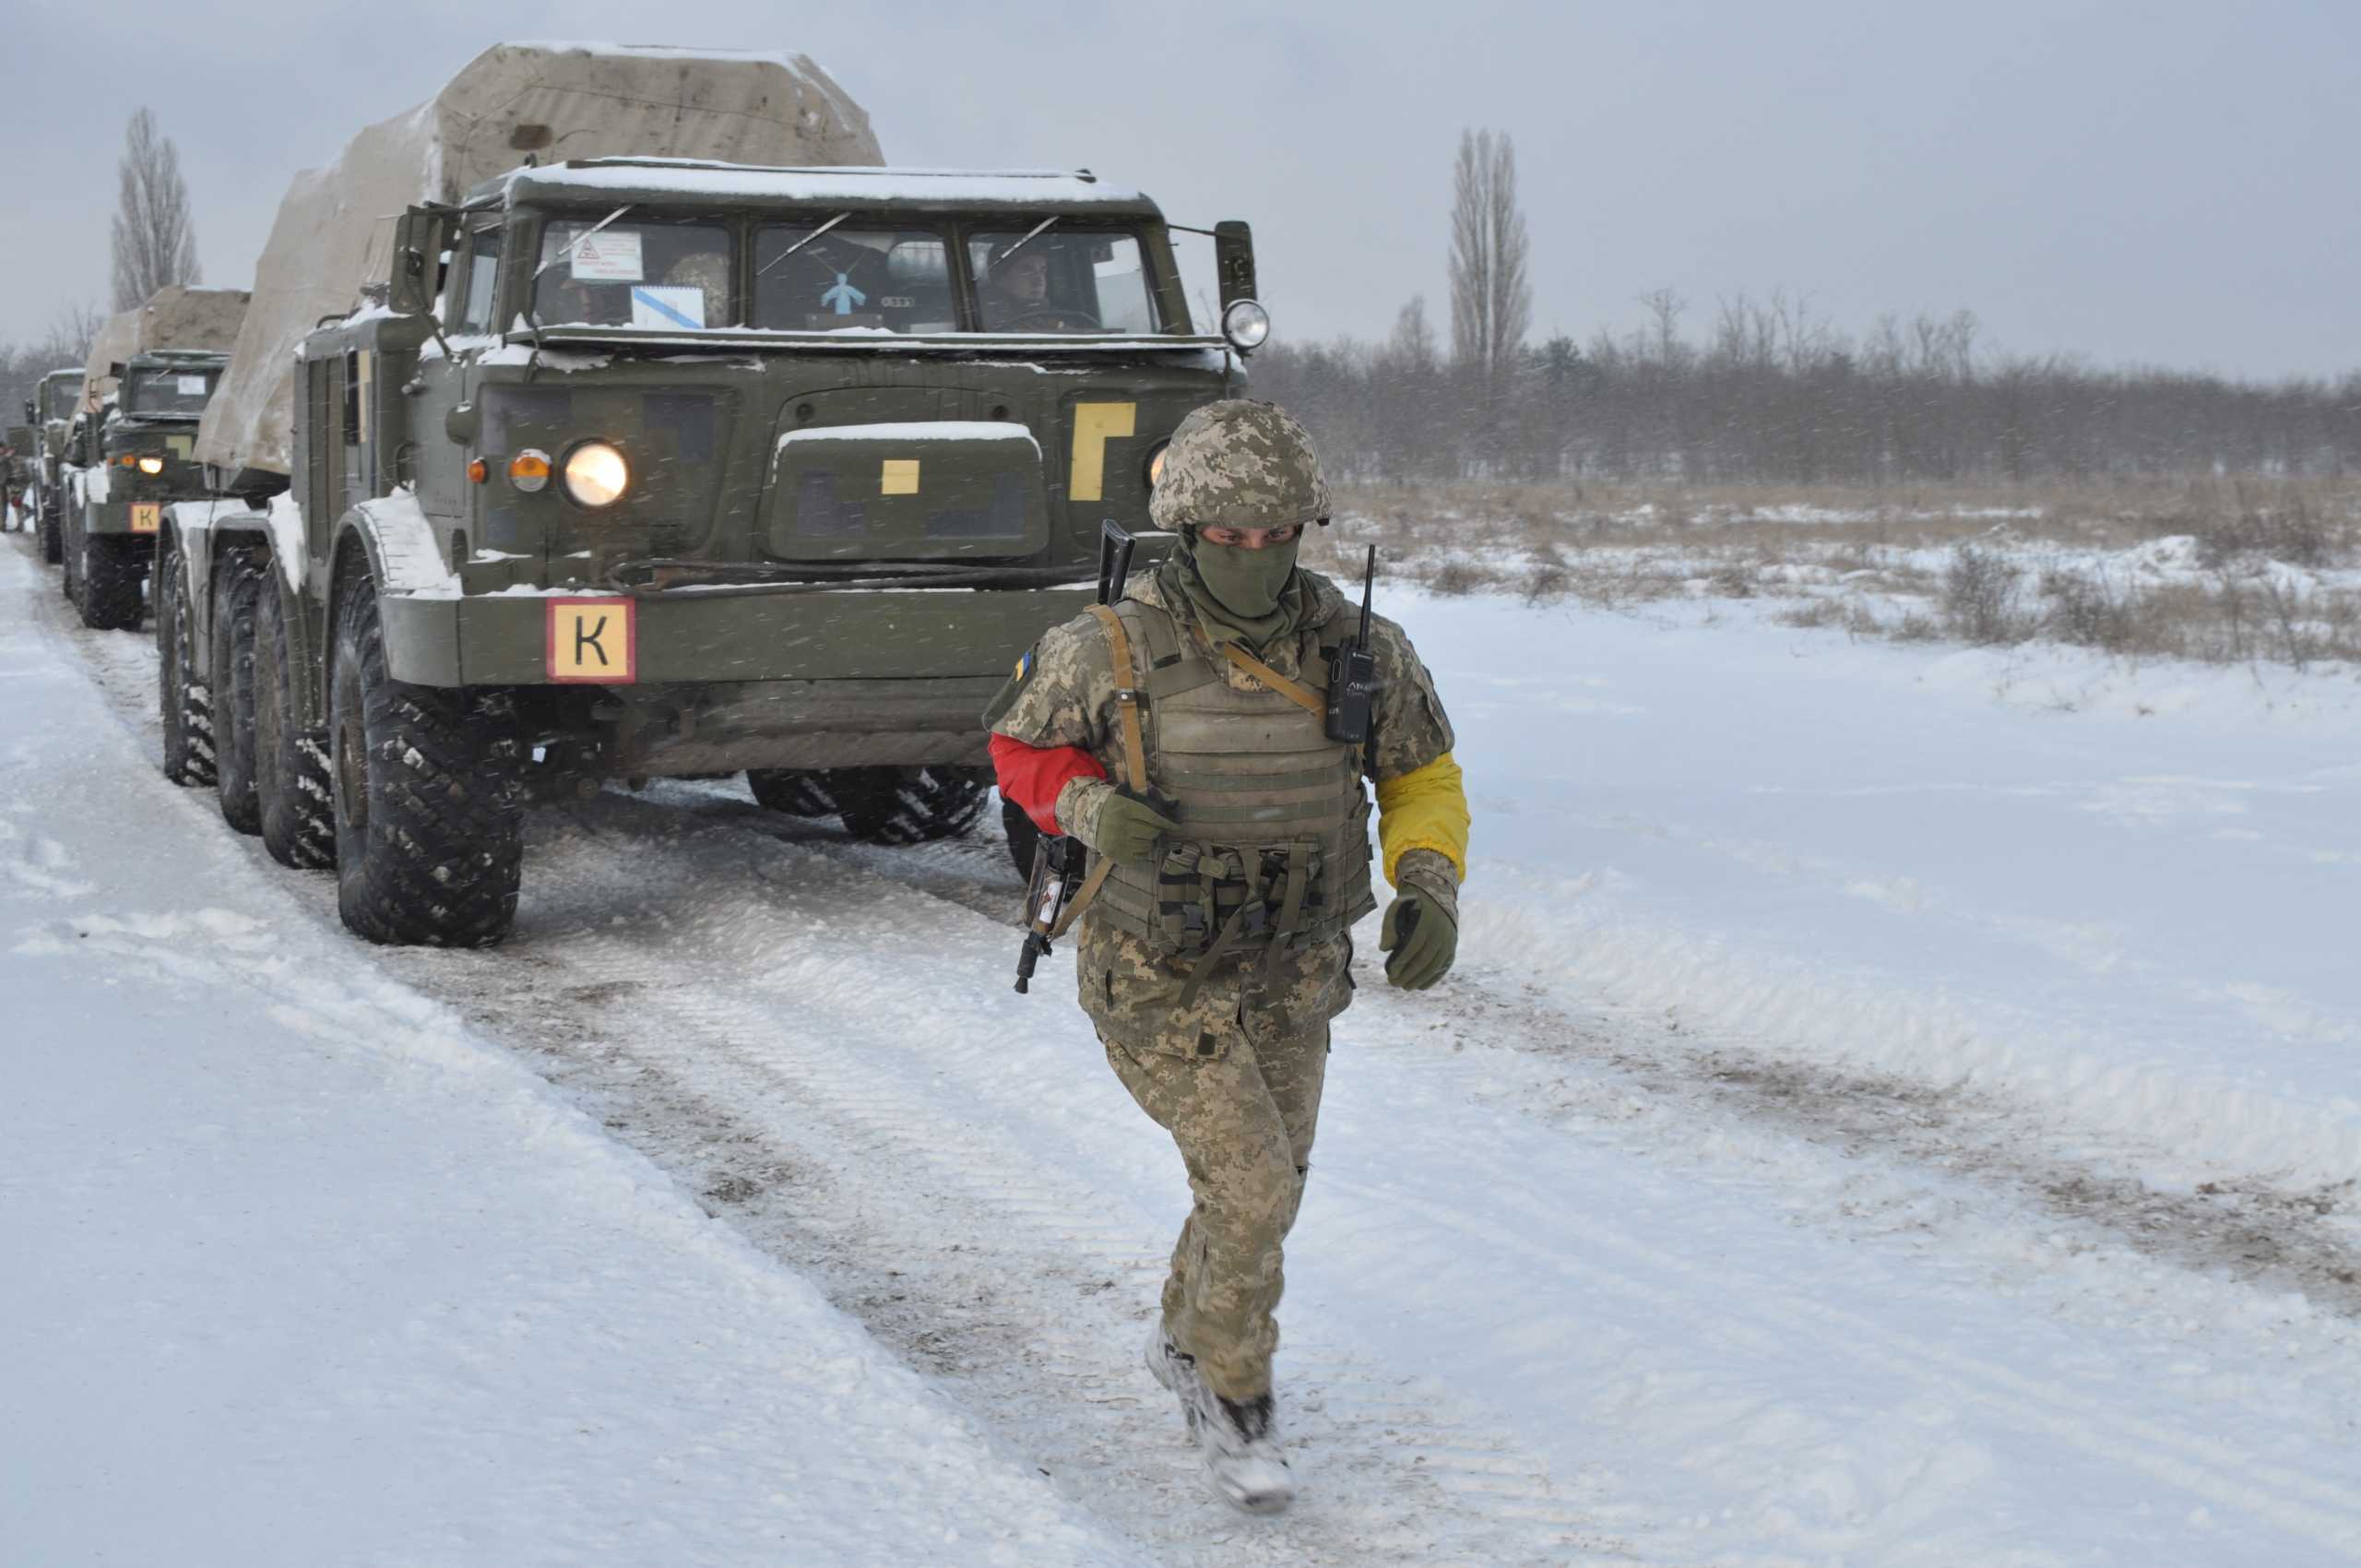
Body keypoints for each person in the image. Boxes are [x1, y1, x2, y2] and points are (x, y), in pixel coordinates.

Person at [985, 399, 1468, 1514]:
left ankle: (1184, 1335)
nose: (1255, 557)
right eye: (1230, 537)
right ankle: (1234, 1396)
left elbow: (1421, 775)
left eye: (1276, 536)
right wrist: (1087, 803)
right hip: (1155, 971)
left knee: (1267, 1187)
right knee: (1251, 1187)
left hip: (1295, 965)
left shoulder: (1359, 647)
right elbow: (1017, 742)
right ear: (1187, 530)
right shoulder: (1102, 646)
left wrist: (1428, 880)